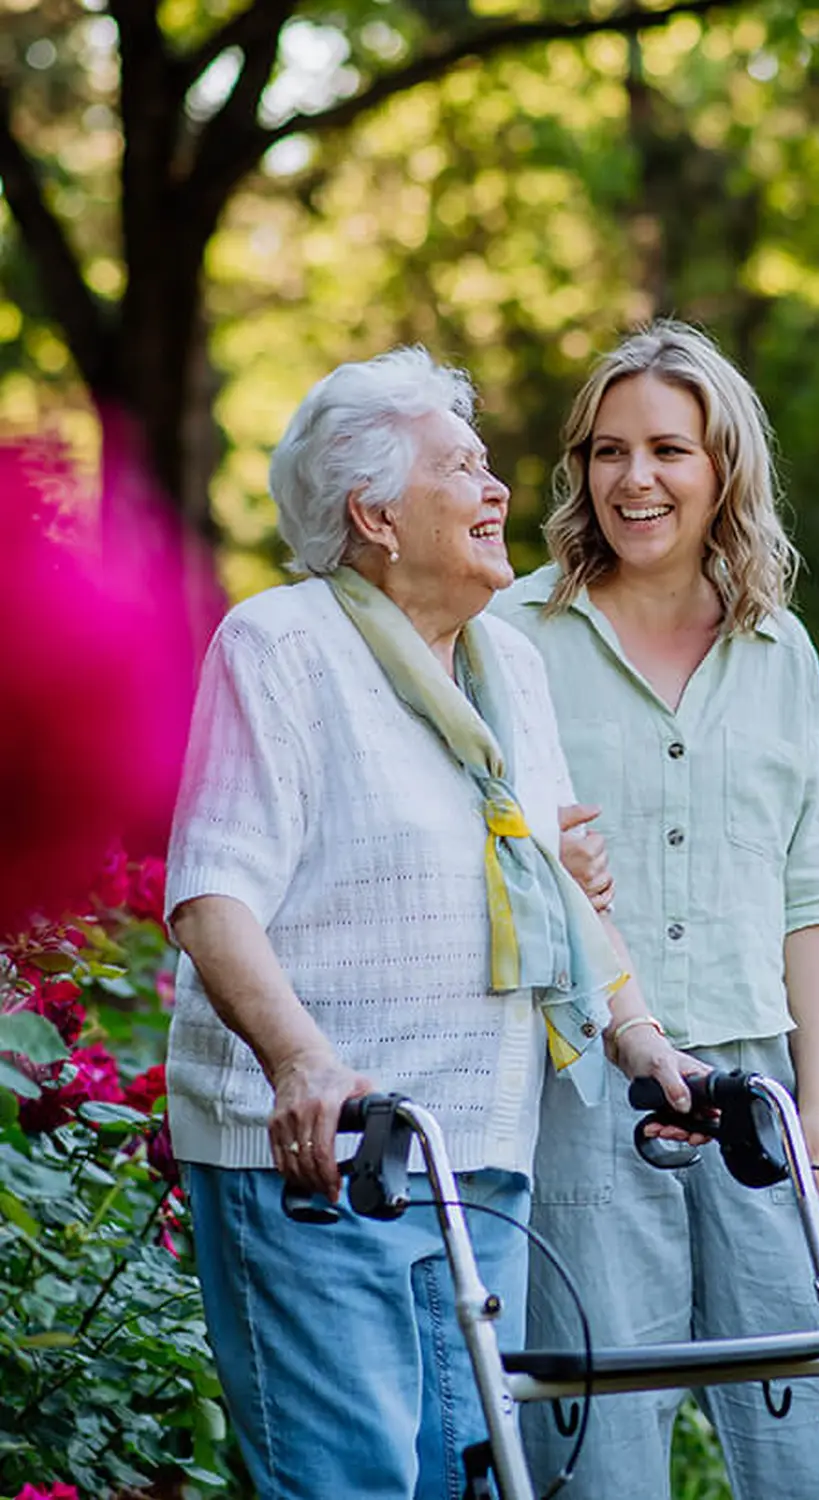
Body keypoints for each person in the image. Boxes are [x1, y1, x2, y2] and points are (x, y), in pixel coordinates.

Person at [164, 347, 698, 1500]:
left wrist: (641, 1038)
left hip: (477, 1152)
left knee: (467, 1478)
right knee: (349, 1480)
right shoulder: (283, 646)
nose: (498, 488)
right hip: (323, 1158)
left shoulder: (507, 664)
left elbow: (549, 883)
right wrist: (302, 1061)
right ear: (374, 514)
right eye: (460, 468)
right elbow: (211, 895)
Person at [489, 320, 819, 1499]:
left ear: (724, 467)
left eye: (668, 450)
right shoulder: (510, 639)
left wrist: (818, 1109)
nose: (634, 479)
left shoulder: (778, 650)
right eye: (607, 451)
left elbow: (813, 894)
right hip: (580, 1089)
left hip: (754, 1092)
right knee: (593, 1443)